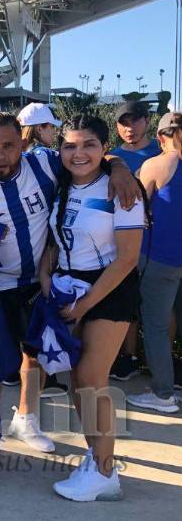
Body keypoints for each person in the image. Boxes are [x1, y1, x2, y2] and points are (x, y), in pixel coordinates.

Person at [0, 112, 142, 459]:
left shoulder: (45, 164)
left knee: (37, 355)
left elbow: (87, 153)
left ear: (23, 144)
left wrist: (118, 167)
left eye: (8, 146)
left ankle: (27, 420)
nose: (0, 155)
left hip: (43, 281)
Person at [41, 115, 145, 501]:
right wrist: (45, 274)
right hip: (68, 287)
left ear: (104, 149)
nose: (78, 153)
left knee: (90, 375)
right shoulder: (61, 184)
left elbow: (127, 259)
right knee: (76, 380)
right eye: (69, 145)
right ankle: (99, 460)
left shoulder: (122, 188)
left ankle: (103, 471)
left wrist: (85, 304)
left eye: (88, 145)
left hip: (108, 289)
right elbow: (55, 239)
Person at [126, 112, 182, 414]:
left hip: (160, 259)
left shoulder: (159, 164)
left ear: (160, 137)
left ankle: (163, 395)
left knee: (156, 326)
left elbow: (134, 208)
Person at [109, 101, 162, 381]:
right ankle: (127, 356)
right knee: (127, 300)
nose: (129, 128)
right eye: (123, 122)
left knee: (158, 306)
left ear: (146, 121)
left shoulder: (162, 150)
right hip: (122, 242)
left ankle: (159, 361)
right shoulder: (111, 156)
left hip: (160, 242)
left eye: (135, 121)